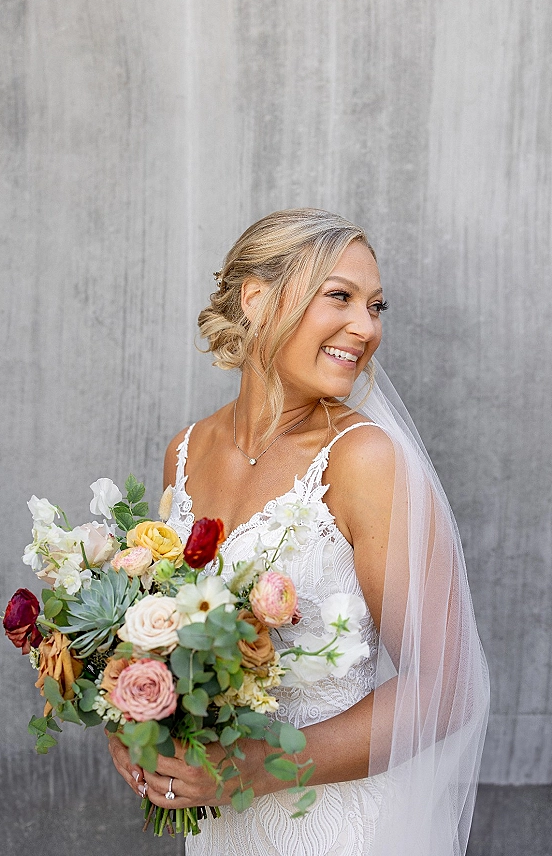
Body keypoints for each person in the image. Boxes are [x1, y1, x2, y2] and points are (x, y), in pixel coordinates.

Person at [108, 208, 489, 855]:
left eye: (375, 306)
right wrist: (134, 722)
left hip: (334, 829)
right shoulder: (185, 450)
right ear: (256, 299)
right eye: (339, 296)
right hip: (221, 831)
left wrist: (257, 768)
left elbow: (446, 688)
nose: (366, 328)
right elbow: (161, 634)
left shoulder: (364, 460)